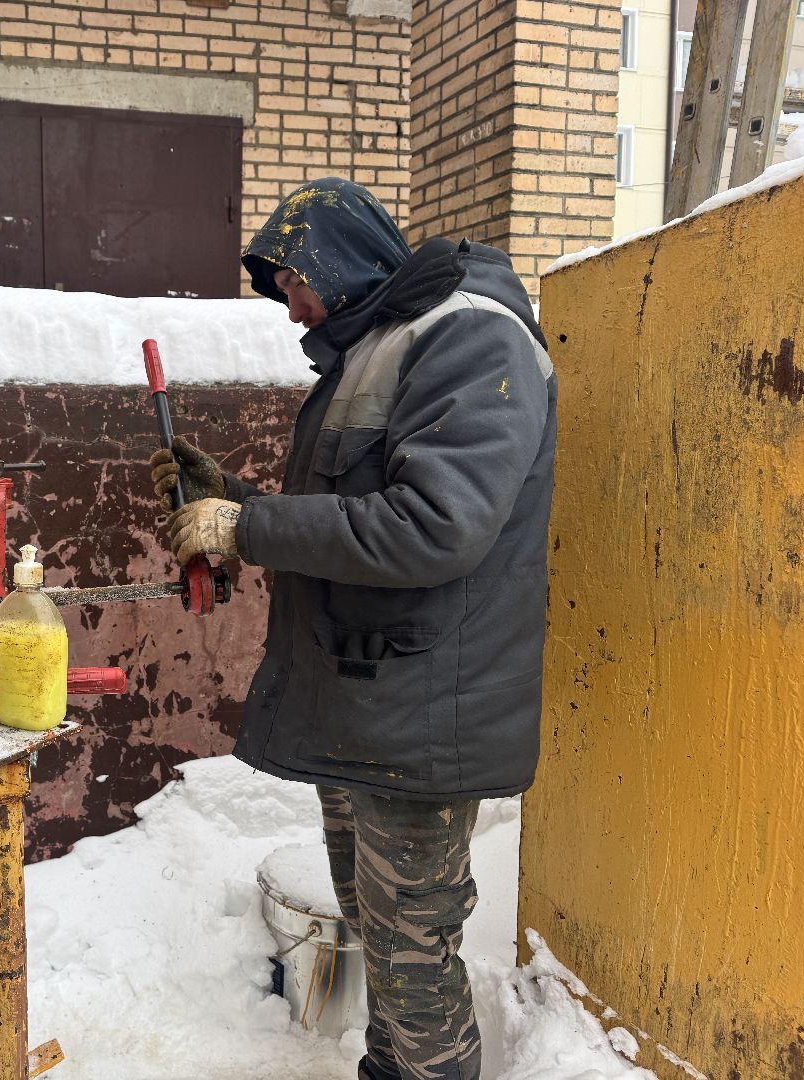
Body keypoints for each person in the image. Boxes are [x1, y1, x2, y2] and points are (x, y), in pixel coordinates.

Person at [151, 177, 556, 1080]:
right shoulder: (380, 348)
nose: (291, 308)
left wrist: (246, 527)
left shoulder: (468, 337)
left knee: (415, 962)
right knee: (379, 936)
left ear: (347, 258)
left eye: (296, 282)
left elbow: (432, 527)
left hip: (422, 715)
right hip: (369, 703)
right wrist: (234, 500)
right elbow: (347, 515)